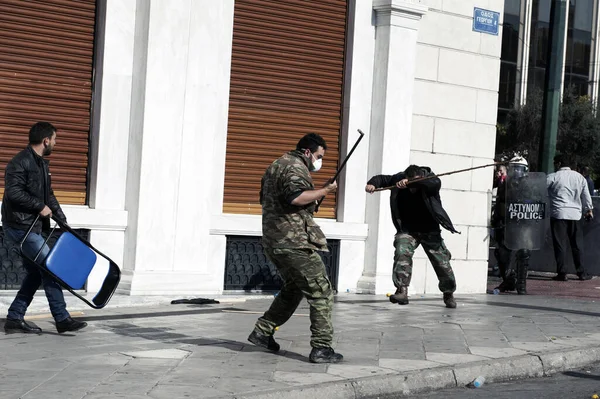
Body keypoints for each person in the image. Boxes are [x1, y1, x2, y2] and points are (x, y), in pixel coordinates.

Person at [247, 133, 343, 364]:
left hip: (274, 240)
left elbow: (284, 201)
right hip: (294, 242)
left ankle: (263, 332)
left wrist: (317, 193)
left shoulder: (276, 165)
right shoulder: (295, 167)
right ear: (308, 152)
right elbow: (296, 198)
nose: (319, 161)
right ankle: (322, 348)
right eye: (319, 156)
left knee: (294, 288)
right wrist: (325, 191)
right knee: (321, 292)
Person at [2, 122, 87, 334]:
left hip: (32, 226)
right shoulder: (19, 162)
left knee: (36, 273)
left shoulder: (41, 164)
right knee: (51, 267)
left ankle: (14, 317)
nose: (56, 143)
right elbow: (14, 193)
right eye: (55, 139)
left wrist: (62, 220)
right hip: (21, 226)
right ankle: (62, 318)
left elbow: (49, 196)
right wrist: (39, 206)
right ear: (46, 140)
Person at [365, 164, 458, 308]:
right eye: (410, 181)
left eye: (416, 182)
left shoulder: (431, 180)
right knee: (402, 252)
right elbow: (382, 179)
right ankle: (402, 290)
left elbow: (432, 183)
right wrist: (372, 183)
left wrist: (410, 183)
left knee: (442, 264)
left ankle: (448, 292)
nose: (413, 186)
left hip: (430, 230)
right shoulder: (399, 178)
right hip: (408, 230)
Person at [547, 154, 593, 281]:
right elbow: (586, 196)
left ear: (559, 164)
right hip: (575, 215)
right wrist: (588, 210)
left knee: (560, 244)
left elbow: (540, 190)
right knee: (577, 244)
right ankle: (582, 272)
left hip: (558, 214)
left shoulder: (553, 177)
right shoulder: (579, 178)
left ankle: (562, 273)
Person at [491, 156, 532, 294]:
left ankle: (521, 284)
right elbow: (499, 203)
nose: (517, 172)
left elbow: (533, 204)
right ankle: (508, 280)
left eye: (519, 169)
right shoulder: (505, 184)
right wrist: (496, 219)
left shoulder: (528, 185)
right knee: (502, 252)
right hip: (506, 222)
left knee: (523, 252)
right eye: (514, 169)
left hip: (522, 222)